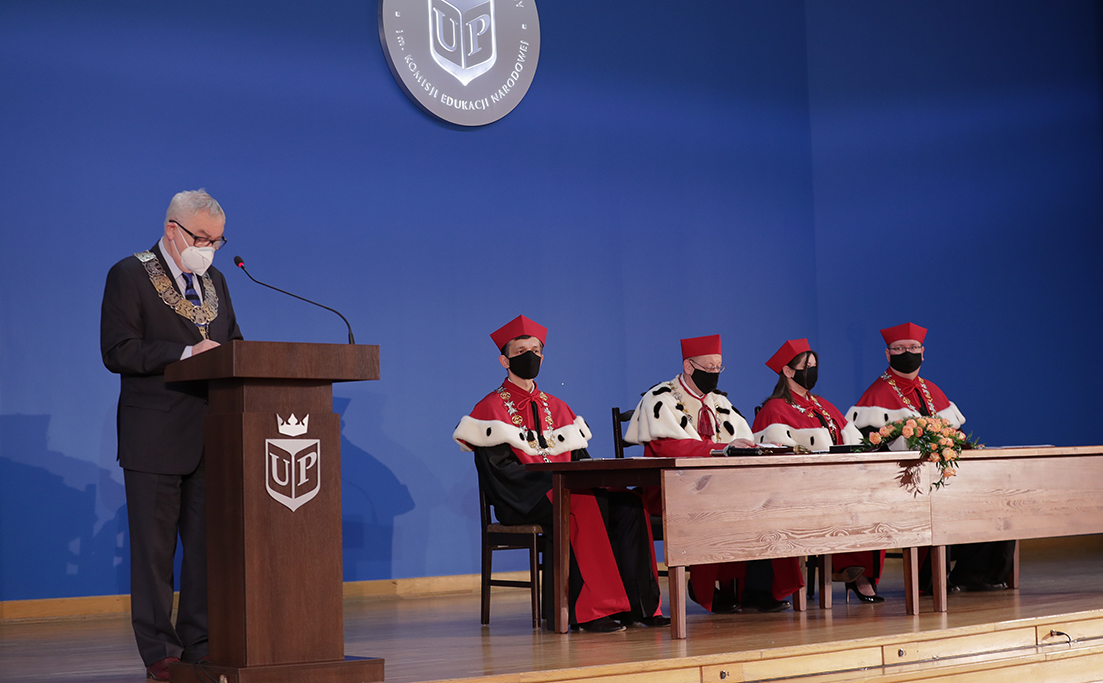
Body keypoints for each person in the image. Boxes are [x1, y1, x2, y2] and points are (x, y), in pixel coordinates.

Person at [101, 190, 242, 681]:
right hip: (155, 433)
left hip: (213, 434)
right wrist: (184, 355)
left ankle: (200, 643)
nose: (208, 249)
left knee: (206, 549)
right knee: (154, 553)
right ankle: (160, 651)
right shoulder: (129, 274)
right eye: (201, 238)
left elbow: (234, 344)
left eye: (216, 241)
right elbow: (118, 350)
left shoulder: (216, 280)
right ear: (172, 230)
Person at [453, 315, 668, 632]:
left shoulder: (558, 407)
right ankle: (591, 610)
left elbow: (580, 461)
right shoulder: (489, 409)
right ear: (504, 360)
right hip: (522, 498)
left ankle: (640, 606)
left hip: (562, 489)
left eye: (535, 350)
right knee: (581, 503)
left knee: (629, 504)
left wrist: (587, 480)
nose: (530, 356)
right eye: (521, 351)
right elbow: (500, 473)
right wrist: (556, 483)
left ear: (543, 357)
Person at [625, 334, 803, 613]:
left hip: (723, 485)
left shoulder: (718, 401)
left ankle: (756, 590)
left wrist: (756, 447)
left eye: (719, 368)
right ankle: (705, 589)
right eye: (709, 368)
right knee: (719, 505)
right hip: (674, 488)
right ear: (688, 366)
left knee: (765, 502)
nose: (715, 374)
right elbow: (668, 447)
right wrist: (721, 448)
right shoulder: (660, 397)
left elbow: (742, 439)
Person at [846, 322, 1013, 593]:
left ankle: (976, 573)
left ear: (923, 353)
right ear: (888, 355)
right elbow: (870, 449)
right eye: (899, 348)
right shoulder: (877, 394)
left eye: (913, 347)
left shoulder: (932, 390)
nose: (907, 353)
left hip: (943, 479)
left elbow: (956, 436)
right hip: (905, 483)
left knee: (994, 497)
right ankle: (931, 578)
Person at [751, 338, 883, 603]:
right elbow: (776, 457)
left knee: (871, 499)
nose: (812, 371)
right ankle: (851, 569)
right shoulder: (774, 408)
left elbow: (852, 441)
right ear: (788, 371)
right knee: (842, 502)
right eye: (806, 366)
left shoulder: (823, 405)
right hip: (800, 490)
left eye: (814, 366)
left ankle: (858, 570)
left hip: (838, 481)